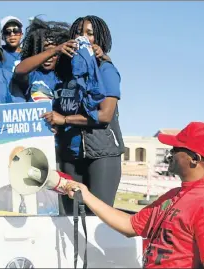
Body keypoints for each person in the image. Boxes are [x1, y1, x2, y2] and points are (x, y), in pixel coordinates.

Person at [63, 122, 204, 269]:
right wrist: (85, 194)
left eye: (176, 149)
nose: (170, 154)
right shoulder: (172, 196)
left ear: (195, 159)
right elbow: (129, 225)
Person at [40, 15, 125, 214]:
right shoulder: (65, 72)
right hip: (70, 155)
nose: (82, 37)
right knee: (69, 218)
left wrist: (65, 120)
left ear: (100, 40)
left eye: (89, 33)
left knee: (98, 217)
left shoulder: (106, 70)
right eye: (78, 33)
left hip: (101, 155)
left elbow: (104, 115)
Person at [0, 146, 58, 215]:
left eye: (24, 162)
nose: (21, 168)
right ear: (9, 167)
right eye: (16, 162)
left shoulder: (52, 197)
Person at [13, 17, 70, 102]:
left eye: (54, 55)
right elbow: (18, 71)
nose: (49, 58)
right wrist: (54, 50)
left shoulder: (66, 76)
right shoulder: (32, 75)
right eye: (44, 53)